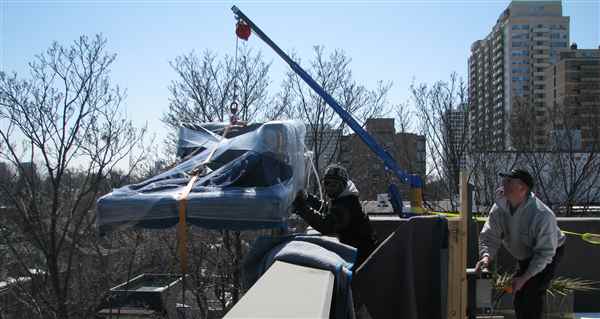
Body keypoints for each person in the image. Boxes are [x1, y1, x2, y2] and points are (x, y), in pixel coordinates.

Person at [476, 168, 566, 319]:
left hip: (547, 253)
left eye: (509, 181)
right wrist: (486, 257)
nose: (504, 183)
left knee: (531, 293)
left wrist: (524, 278)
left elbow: (545, 254)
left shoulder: (542, 215)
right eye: (504, 179)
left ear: (523, 188)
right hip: (525, 255)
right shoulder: (499, 207)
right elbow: (490, 236)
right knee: (519, 296)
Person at [292, 163, 378, 268]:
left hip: (360, 260)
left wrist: (301, 208)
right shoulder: (345, 198)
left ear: (343, 185)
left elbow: (327, 225)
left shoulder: (346, 205)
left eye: (334, 185)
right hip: (356, 253)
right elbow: (327, 210)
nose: (329, 188)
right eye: (326, 183)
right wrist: (308, 198)